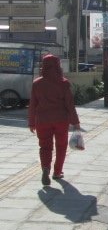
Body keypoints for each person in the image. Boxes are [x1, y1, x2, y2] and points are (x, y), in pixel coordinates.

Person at [28, 54, 80, 185]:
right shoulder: (63, 83)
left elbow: (33, 104)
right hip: (61, 120)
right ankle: (57, 172)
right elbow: (70, 104)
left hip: (42, 120)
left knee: (45, 146)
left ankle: (46, 168)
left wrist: (31, 122)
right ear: (58, 66)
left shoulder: (37, 83)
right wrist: (75, 122)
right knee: (61, 146)